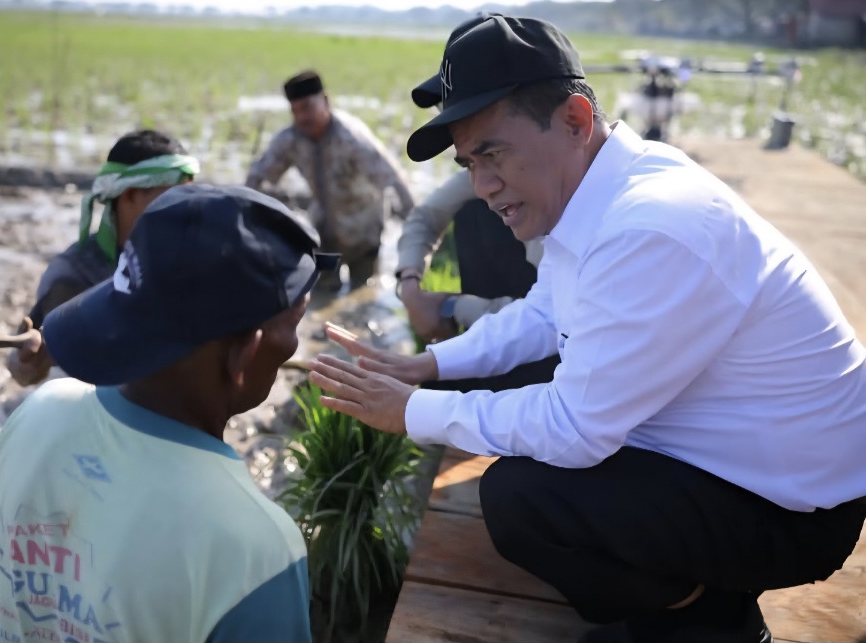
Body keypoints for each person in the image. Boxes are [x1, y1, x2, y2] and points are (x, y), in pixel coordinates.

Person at [306, 15, 866, 643]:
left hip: (796, 506)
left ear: (574, 120)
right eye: (468, 163)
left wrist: (414, 410)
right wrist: (432, 367)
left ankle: (716, 622)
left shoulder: (648, 226)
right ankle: (684, 603)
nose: (482, 186)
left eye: (492, 153)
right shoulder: (608, 185)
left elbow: (575, 430)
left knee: (524, 502)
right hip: (751, 459)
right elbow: (547, 310)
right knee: (533, 475)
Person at [0, 183, 340, 643]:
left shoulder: (32, 419)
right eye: (294, 323)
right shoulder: (255, 548)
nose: (294, 344)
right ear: (246, 353)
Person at [397, 54, 559, 392]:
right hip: (522, 318)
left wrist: (453, 306)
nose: (484, 183)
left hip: (551, 351)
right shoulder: (485, 176)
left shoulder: (551, 189)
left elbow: (551, 318)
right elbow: (425, 216)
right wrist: (410, 285)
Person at [6, 129, 199, 386]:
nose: (184, 211)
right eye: (173, 199)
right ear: (129, 195)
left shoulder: (189, 254)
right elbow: (29, 367)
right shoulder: (74, 276)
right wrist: (28, 363)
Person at [246, 70, 415, 289]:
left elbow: (393, 178)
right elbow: (258, 176)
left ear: (325, 100)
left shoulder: (351, 137)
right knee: (321, 290)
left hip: (363, 230)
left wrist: (416, 225)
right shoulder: (290, 139)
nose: (302, 117)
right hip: (323, 233)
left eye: (307, 107)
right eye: (295, 111)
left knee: (363, 290)